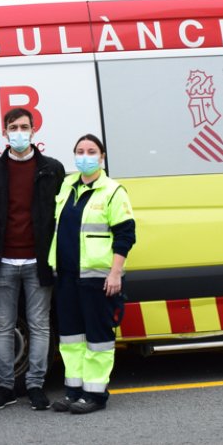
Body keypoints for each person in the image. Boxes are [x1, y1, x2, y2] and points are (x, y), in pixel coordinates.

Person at [0, 108, 65, 411]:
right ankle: (5, 387)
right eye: (13, 127)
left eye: (24, 127)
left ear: (33, 130)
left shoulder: (52, 168)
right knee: (3, 325)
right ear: (4, 132)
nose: (19, 132)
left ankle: (35, 385)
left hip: (38, 261)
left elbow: (59, 217)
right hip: (3, 261)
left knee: (39, 325)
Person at [48, 134, 136, 415]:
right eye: (79, 151)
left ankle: (95, 395)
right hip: (66, 277)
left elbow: (125, 235)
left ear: (102, 157)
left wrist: (115, 273)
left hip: (97, 279)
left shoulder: (112, 191)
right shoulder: (67, 186)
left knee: (97, 338)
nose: (84, 156)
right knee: (71, 339)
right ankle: (74, 391)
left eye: (91, 151)